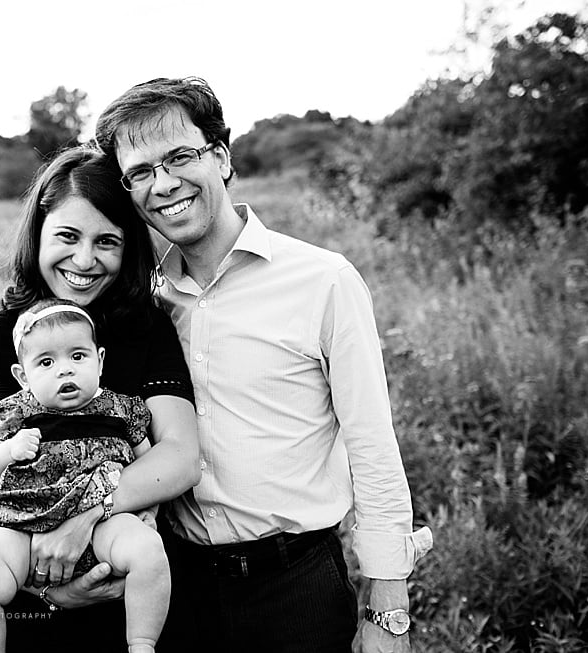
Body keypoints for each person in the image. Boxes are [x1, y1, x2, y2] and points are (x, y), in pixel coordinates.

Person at [94, 77, 433, 653]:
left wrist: (388, 611)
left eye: (179, 156)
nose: (164, 184)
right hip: (175, 586)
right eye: (141, 172)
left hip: (296, 583)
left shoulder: (324, 280)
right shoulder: (143, 304)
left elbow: (373, 444)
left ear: (221, 158)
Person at [0, 146, 200, 652]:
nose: (84, 260)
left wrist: (83, 516)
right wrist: (47, 584)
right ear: (38, 233)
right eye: (67, 236)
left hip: (139, 598)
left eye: (107, 242)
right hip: (29, 616)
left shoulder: (146, 331)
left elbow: (180, 459)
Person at [0, 297, 170, 652]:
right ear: (22, 376)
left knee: (149, 552)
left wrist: (150, 513)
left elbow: (151, 466)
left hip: (105, 520)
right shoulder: (18, 414)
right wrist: (10, 450)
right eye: (46, 362)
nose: (65, 370)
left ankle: (141, 643)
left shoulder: (119, 409)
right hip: (24, 524)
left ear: (100, 360)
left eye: (78, 356)